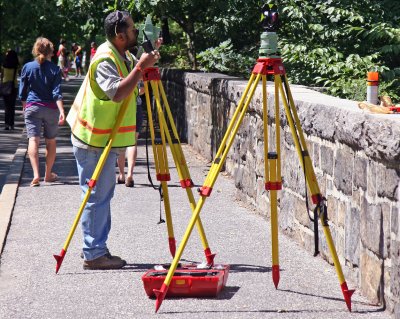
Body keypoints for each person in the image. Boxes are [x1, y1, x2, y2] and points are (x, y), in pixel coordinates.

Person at [66, 10, 161, 270]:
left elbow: (134, 85)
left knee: (100, 195)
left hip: (101, 138)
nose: (136, 31)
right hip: (92, 139)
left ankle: (94, 246)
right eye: (131, 29)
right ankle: (94, 253)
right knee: (96, 196)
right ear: (120, 36)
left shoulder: (123, 55)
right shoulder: (105, 59)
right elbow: (118, 93)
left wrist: (145, 66)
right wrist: (142, 67)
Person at [19, 37, 65, 187]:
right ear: (51, 52)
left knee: (33, 140)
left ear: (35, 50)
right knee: (50, 141)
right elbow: (56, 93)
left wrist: (25, 106)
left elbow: (22, 92)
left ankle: (35, 175)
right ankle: (48, 175)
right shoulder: (55, 69)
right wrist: (62, 111)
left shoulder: (27, 67)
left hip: (32, 107)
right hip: (51, 109)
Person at [116, 79, 144, 187]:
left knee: (121, 142)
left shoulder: (117, 66)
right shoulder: (137, 68)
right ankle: (130, 174)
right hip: (136, 107)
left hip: (120, 107)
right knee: (133, 141)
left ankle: (122, 174)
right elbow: (142, 90)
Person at [1, 49, 19, 130]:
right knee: (12, 107)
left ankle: (6, 124)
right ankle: (12, 124)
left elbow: (2, 77)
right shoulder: (16, 67)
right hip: (13, 87)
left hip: (5, 87)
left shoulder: (3, 66)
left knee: (7, 107)